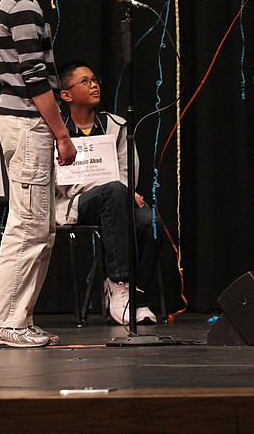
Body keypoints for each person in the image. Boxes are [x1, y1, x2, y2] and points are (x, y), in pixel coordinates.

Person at [0, 0, 77, 348]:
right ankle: (5, 321)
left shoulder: (28, 5)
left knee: (41, 228)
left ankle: (18, 318)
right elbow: (35, 76)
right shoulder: (21, 7)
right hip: (26, 122)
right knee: (28, 227)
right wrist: (61, 133)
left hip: (29, 122)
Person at [55, 61, 159, 326]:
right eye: (85, 81)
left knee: (147, 219)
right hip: (76, 202)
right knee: (112, 191)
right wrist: (109, 189)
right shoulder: (55, 130)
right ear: (66, 94)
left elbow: (127, 169)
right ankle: (118, 282)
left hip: (115, 198)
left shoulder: (116, 126)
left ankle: (137, 299)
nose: (94, 85)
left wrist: (124, 191)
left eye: (95, 79)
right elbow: (55, 178)